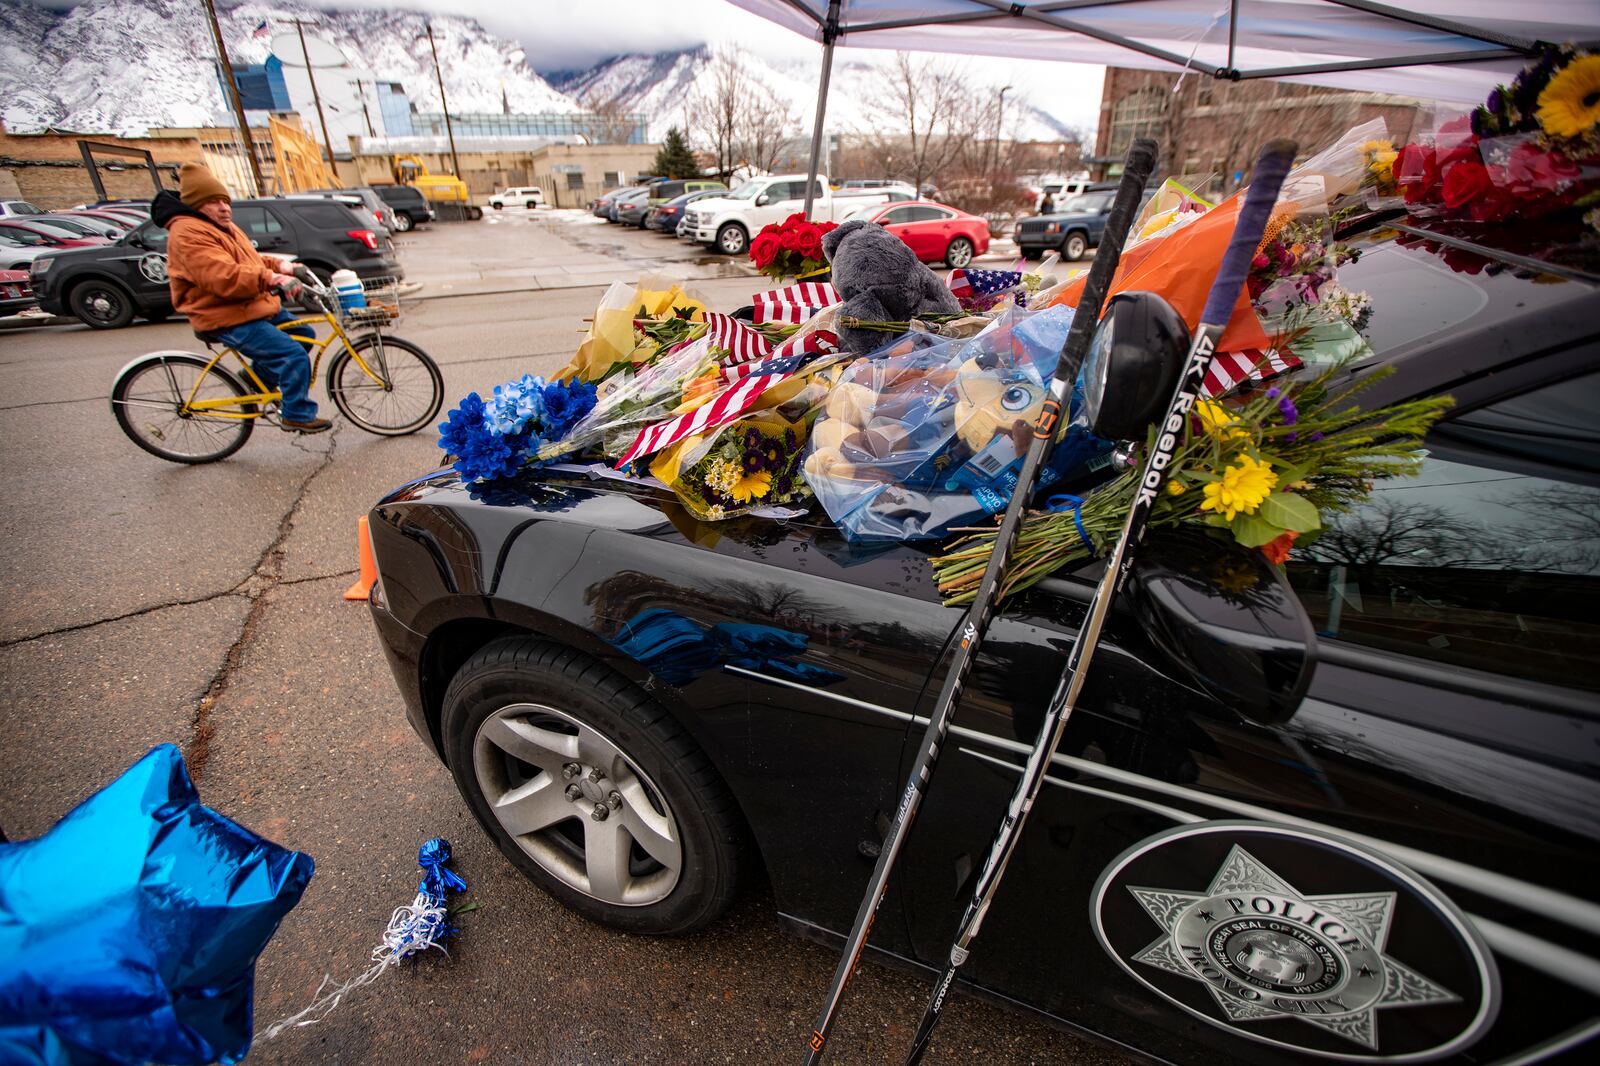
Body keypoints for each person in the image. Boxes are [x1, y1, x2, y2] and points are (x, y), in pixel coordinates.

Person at [153, 163, 331, 433]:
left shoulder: (221, 227)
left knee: (303, 333)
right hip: (224, 315)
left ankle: (253, 378)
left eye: (225, 201)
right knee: (292, 355)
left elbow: (250, 260)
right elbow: (223, 276)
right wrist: (272, 279)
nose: (224, 208)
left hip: (251, 307)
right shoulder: (188, 233)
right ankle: (296, 414)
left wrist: (284, 267)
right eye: (213, 202)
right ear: (195, 205)